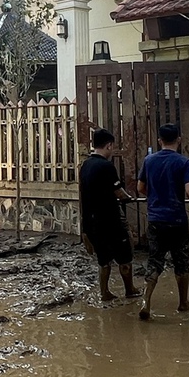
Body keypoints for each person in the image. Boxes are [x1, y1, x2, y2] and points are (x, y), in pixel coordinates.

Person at [134, 122, 189, 321]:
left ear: (159, 140)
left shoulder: (149, 160)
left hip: (155, 219)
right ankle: (183, 303)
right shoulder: (184, 162)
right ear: (179, 140)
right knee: (181, 262)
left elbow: (140, 188)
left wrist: (154, 197)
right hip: (177, 220)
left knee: (155, 261)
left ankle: (146, 302)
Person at [78, 128, 137, 303]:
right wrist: (129, 199)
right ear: (109, 145)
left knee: (103, 259)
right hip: (110, 220)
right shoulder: (106, 166)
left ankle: (104, 292)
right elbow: (118, 191)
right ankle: (130, 290)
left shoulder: (85, 165)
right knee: (124, 256)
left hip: (92, 221)